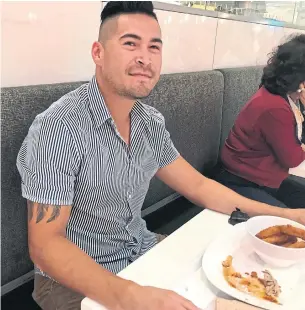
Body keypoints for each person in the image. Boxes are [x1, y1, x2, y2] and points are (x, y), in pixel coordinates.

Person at [16, 2, 305, 310]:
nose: (145, 57)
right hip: (70, 282)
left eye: (154, 47)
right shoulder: (58, 128)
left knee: (248, 283)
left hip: (139, 249)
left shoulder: (148, 122)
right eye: (130, 44)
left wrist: (287, 216)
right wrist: (132, 295)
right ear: (98, 53)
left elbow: (198, 186)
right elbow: (46, 245)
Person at [216, 34, 305, 210]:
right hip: (241, 182)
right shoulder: (276, 107)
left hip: (264, 179)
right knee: (293, 224)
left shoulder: (282, 95)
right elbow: (293, 158)